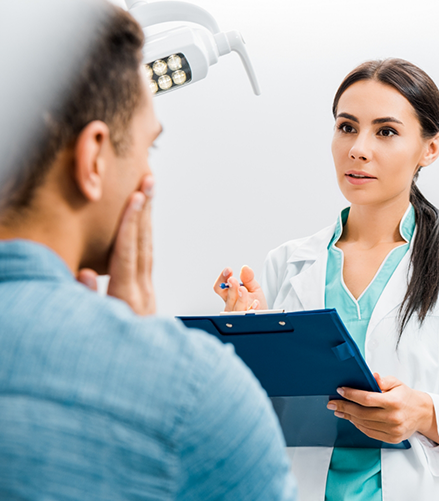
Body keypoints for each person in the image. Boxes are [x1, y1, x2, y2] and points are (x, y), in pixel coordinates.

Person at [0, 4, 298, 500]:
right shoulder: (197, 395)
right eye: (148, 148)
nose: (148, 177)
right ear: (94, 157)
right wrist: (141, 355)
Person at [214, 58, 439, 500]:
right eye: (347, 127)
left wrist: (426, 415)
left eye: (386, 131)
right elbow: (257, 418)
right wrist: (247, 339)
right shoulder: (288, 263)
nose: (358, 148)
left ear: (429, 149)